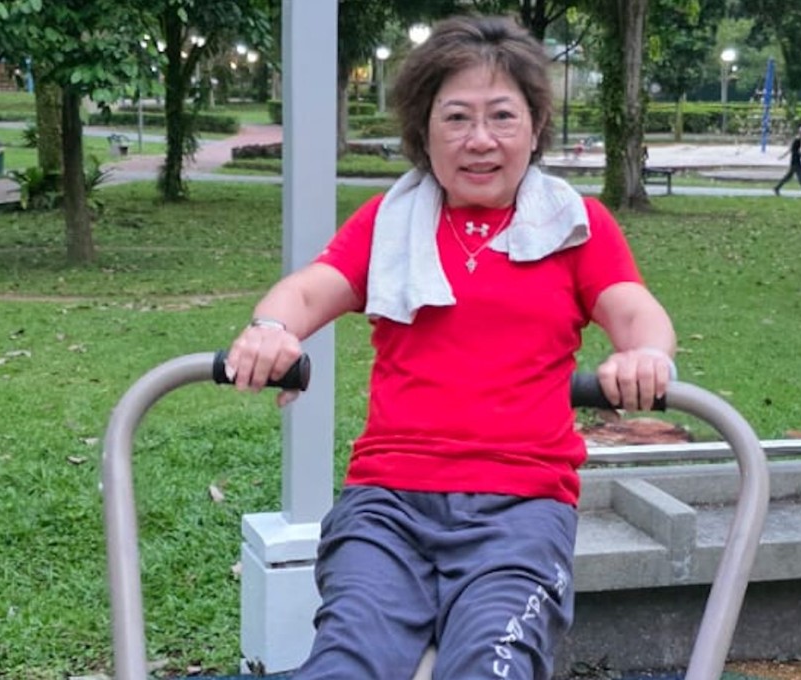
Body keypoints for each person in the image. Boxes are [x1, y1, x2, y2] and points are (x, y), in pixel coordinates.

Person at [224, 15, 676, 680]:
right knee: (346, 664)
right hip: (389, 501)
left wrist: (645, 355)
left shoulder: (573, 225)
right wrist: (270, 330)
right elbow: (309, 292)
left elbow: (635, 310)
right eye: (457, 117)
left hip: (521, 506)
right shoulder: (390, 221)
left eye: (502, 116)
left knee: (491, 666)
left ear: (534, 127)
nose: (480, 140)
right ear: (423, 129)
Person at [774, 125, 801, 196]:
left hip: (796, 160)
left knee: (789, 177)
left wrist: (783, 156)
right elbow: (795, 150)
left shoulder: (798, 140)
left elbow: (794, 149)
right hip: (796, 161)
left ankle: (777, 188)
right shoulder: (797, 140)